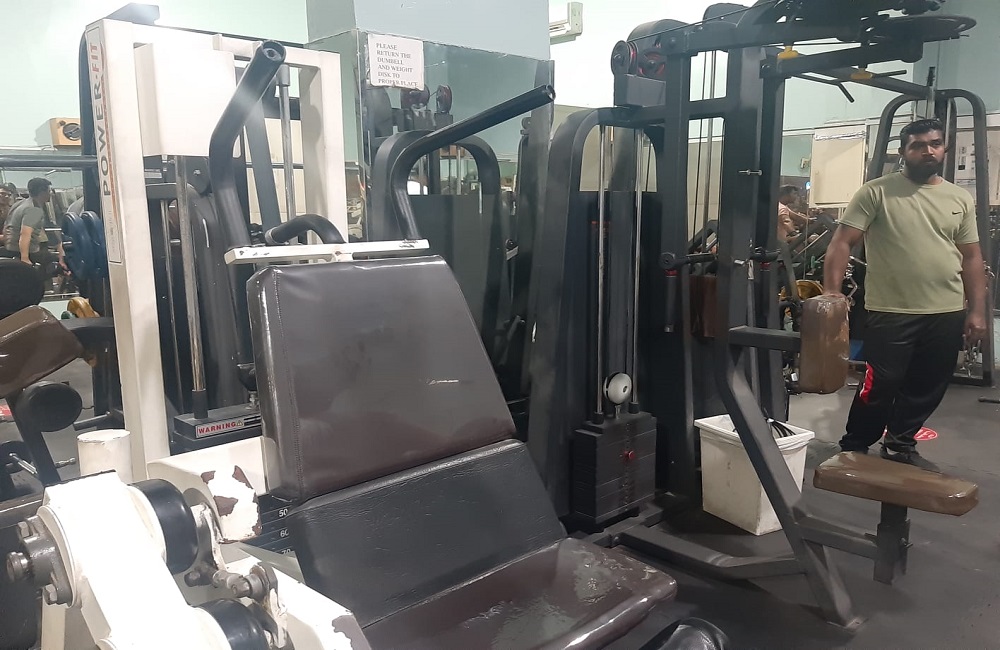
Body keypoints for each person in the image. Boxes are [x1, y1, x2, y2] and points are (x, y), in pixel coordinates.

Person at [824, 118, 988, 470]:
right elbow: (842, 243)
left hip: (946, 310)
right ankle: (855, 443)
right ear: (903, 151)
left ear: (944, 148)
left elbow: (972, 257)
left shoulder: (959, 198)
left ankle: (900, 443)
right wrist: (831, 294)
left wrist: (977, 310)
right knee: (881, 382)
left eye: (935, 144)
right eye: (918, 145)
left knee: (928, 383)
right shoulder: (876, 192)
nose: (928, 151)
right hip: (891, 310)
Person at [2, 177, 63, 266]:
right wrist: (25, 259)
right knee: (57, 261)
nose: (50, 193)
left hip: (10, 248)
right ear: (42, 192)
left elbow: (7, 226)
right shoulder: (33, 210)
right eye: (49, 190)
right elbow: (25, 234)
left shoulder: (20, 203)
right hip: (25, 252)